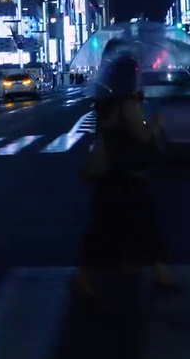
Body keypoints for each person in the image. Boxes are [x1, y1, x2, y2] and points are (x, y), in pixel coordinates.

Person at [71, 54, 175, 296]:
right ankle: (158, 273)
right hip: (130, 174)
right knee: (145, 223)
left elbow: (101, 141)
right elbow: (143, 136)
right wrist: (157, 124)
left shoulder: (106, 104)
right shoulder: (129, 104)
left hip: (109, 174)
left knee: (104, 227)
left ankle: (88, 275)